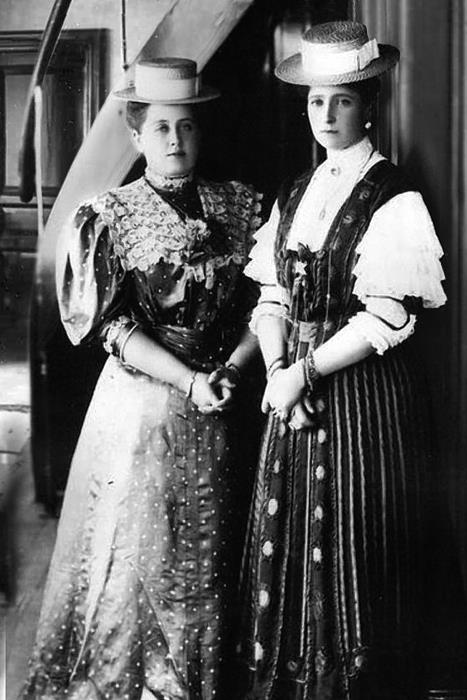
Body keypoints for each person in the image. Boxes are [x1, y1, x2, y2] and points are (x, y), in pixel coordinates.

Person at [237, 21, 467, 700]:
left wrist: (304, 374)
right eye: (316, 101)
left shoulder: (392, 195)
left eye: (342, 100)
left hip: (364, 397)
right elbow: (271, 296)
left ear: (368, 105)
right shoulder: (295, 192)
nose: (327, 114)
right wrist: (278, 373)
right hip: (293, 390)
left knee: (356, 540)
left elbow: (388, 315)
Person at [24, 57, 262, 700]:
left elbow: (262, 307)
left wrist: (232, 369)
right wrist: (188, 380)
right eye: (160, 127)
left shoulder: (239, 204)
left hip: (225, 398)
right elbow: (110, 327)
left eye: (186, 125)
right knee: (140, 548)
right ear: (135, 134)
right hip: (143, 407)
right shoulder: (110, 213)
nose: (175, 140)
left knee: (214, 549)